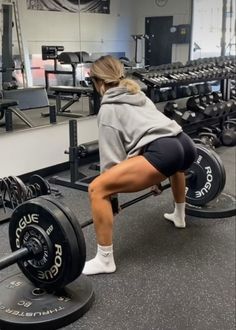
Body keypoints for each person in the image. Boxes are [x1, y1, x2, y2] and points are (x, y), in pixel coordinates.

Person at [82, 55, 197, 276]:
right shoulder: (138, 94)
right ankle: (180, 216)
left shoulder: (108, 109)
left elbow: (112, 161)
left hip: (163, 151)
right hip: (185, 143)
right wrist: (154, 175)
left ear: (99, 83)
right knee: (176, 168)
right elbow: (151, 133)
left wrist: (111, 198)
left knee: (97, 189)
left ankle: (104, 260)